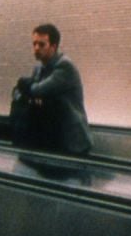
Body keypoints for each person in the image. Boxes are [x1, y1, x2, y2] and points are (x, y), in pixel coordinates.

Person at [14, 23, 93, 155]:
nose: (36, 48)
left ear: (54, 46)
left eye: (41, 44)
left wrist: (26, 86)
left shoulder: (65, 66)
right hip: (52, 138)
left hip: (72, 141)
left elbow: (37, 90)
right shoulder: (38, 69)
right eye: (34, 44)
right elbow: (18, 93)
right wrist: (26, 90)